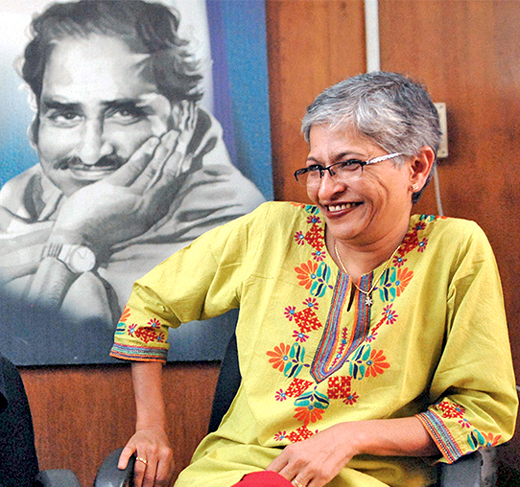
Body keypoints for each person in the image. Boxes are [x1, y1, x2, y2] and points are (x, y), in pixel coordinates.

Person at [110, 72, 518, 487]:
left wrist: (350, 437)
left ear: (416, 167)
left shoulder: (454, 250)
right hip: (237, 471)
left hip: (366, 478)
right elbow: (149, 302)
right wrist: (151, 427)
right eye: (315, 170)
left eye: (350, 165)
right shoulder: (270, 230)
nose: (326, 190)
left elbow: (482, 411)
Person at [0, 0, 264, 326]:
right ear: (37, 122)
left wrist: (69, 246)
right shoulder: (17, 204)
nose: (91, 152)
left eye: (124, 113)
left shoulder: (234, 229)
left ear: (181, 116)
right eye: (67, 115)